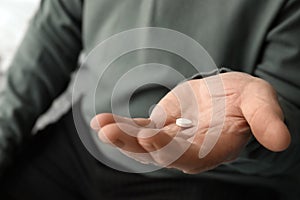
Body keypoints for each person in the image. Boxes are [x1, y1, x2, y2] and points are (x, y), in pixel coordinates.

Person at [0, 0, 300, 199]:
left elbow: (288, 139)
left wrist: (247, 134)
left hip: (211, 178)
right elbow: (47, 47)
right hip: (80, 142)